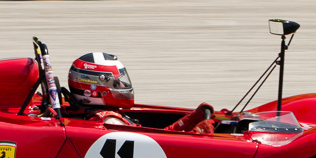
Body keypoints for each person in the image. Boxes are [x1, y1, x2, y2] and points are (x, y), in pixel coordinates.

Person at [66, 53, 218, 132]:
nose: (122, 85)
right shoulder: (109, 122)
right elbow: (157, 147)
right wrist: (199, 134)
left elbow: (159, 136)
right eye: (117, 82)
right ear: (96, 87)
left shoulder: (108, 116)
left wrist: (189, 121)